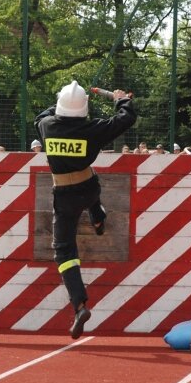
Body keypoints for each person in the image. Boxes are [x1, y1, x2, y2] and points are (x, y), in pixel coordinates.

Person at [34, 80, 136, 338]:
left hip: (64, 195)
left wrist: (59, 99)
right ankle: (98, 216)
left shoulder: (46, 126)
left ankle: (79, 305)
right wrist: (120, 98)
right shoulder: (93, 129)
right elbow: (126, 118)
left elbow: (42, 115)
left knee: (64, 251)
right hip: (89, 188)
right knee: (92, 186)